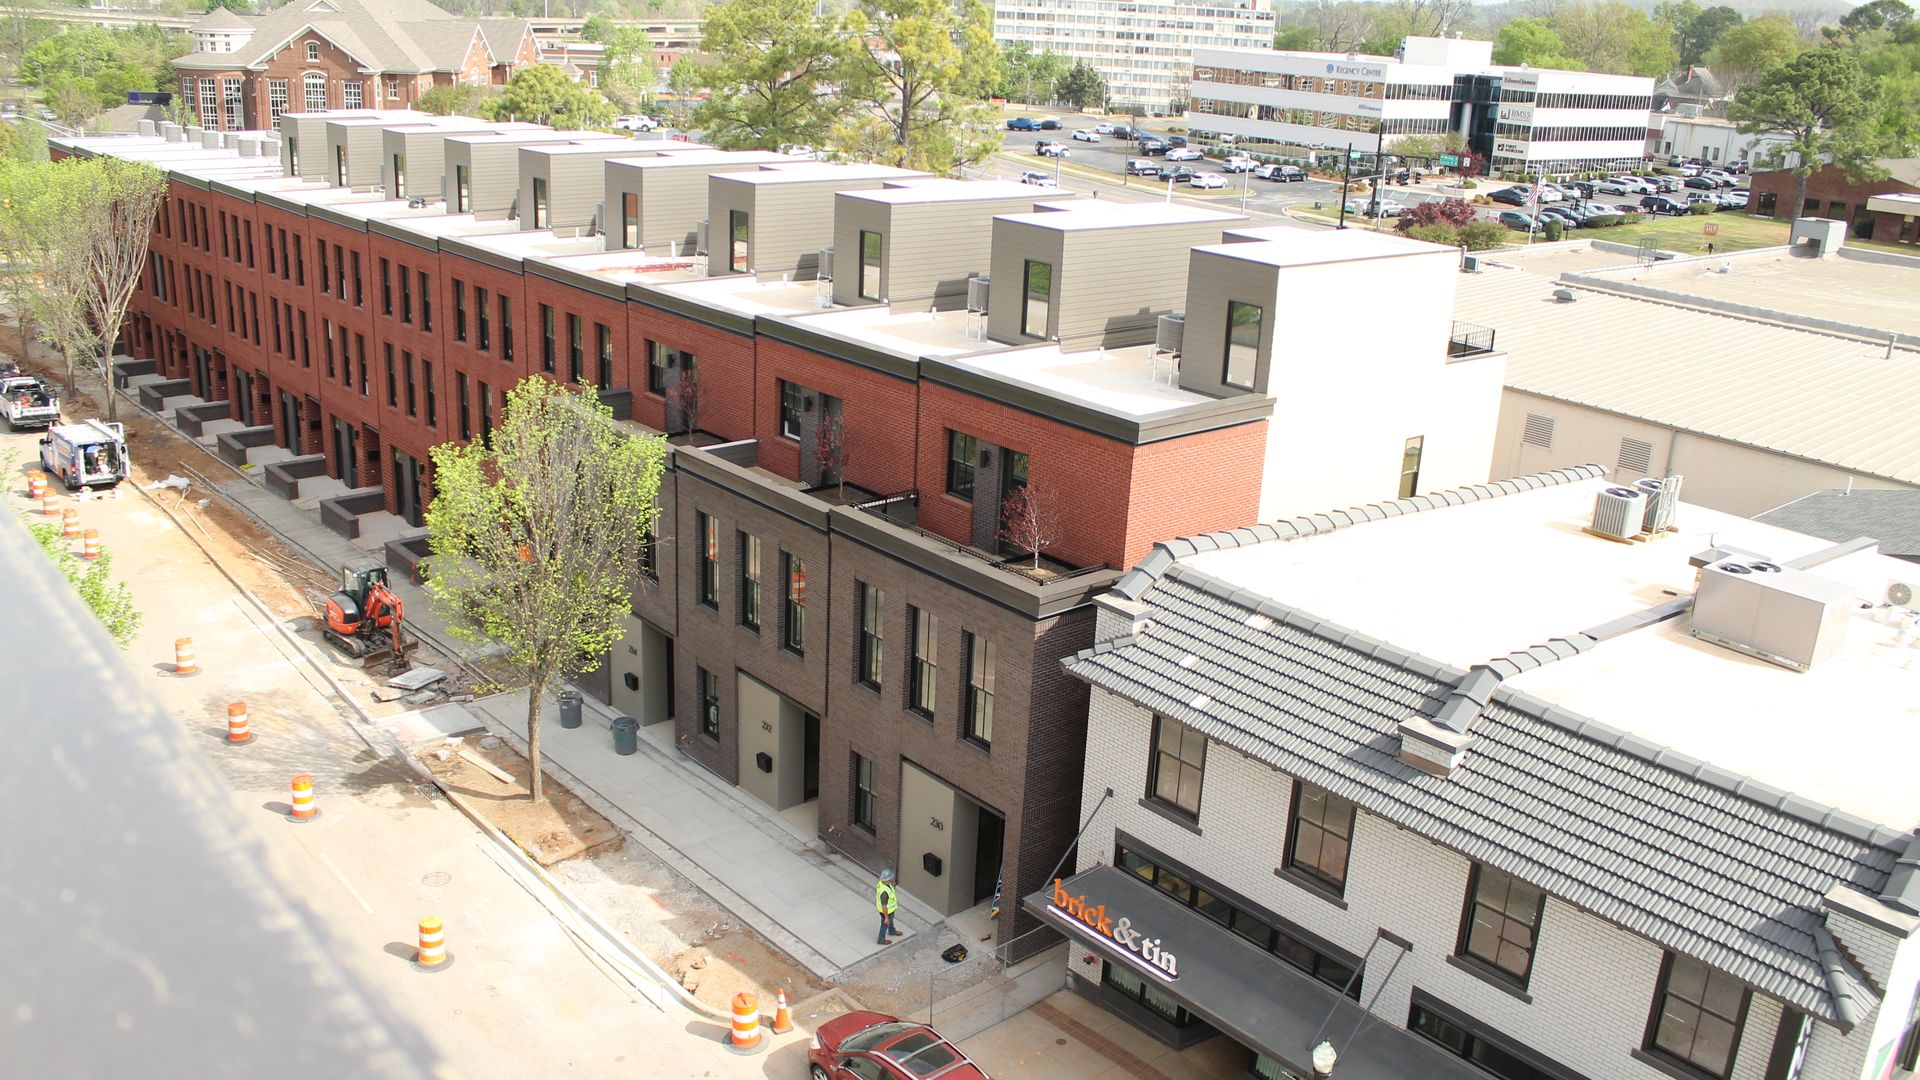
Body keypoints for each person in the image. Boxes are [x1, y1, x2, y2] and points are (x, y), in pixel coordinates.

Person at [875, 868, 901, 945]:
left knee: (891, 920)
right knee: (885, 924)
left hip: (890, 911)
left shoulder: (882, 883)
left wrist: (891, 884)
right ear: (887, 880)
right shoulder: (884, 893)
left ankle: (892, 930)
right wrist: (886, 917)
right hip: (886, 912)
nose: (892, 879)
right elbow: (884, 907)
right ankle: (881, 939)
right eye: (890, 878)